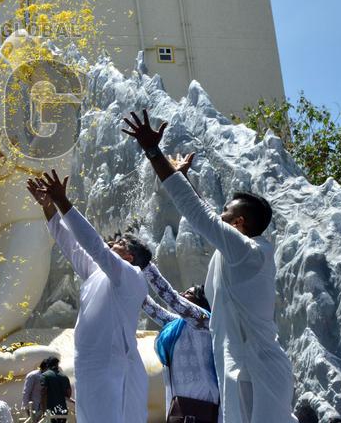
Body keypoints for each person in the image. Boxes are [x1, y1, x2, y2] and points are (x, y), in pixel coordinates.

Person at [123, 110, 298, 422]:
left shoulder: (248, 251)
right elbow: (203, 216)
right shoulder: (236, 252)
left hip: (258, 369)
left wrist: (154, 152)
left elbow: (199, 214)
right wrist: (185, 179)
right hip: (238, 367)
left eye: (226, 214)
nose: (220, 217)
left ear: (240, 224)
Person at [27, 170, 150, 423]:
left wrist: (63, 202)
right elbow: (71, 244)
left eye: (119, 243)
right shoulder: (98, 272)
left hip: (110, 366)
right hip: (89, 364)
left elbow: (93, 243)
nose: (113, 242)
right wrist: (49, 208)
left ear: (128, 257)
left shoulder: (130, 275)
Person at [140, 261, 219, 422]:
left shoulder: (203, 321)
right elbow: (150, 307)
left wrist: (145, 265)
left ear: (201, 301)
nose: (182, 294)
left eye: (188, 293)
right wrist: (126, 274)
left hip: (202, 402)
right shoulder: (177, 324)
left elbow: (172, 298)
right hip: (179, 405)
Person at [37, 358, 72, 422]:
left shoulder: (44, 376)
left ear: (47, 365)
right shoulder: (64, 377)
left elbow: (43, 392)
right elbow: (68, 394)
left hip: (50, 411)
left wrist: (43, 410)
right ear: (57, 365)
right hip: (62, 411)